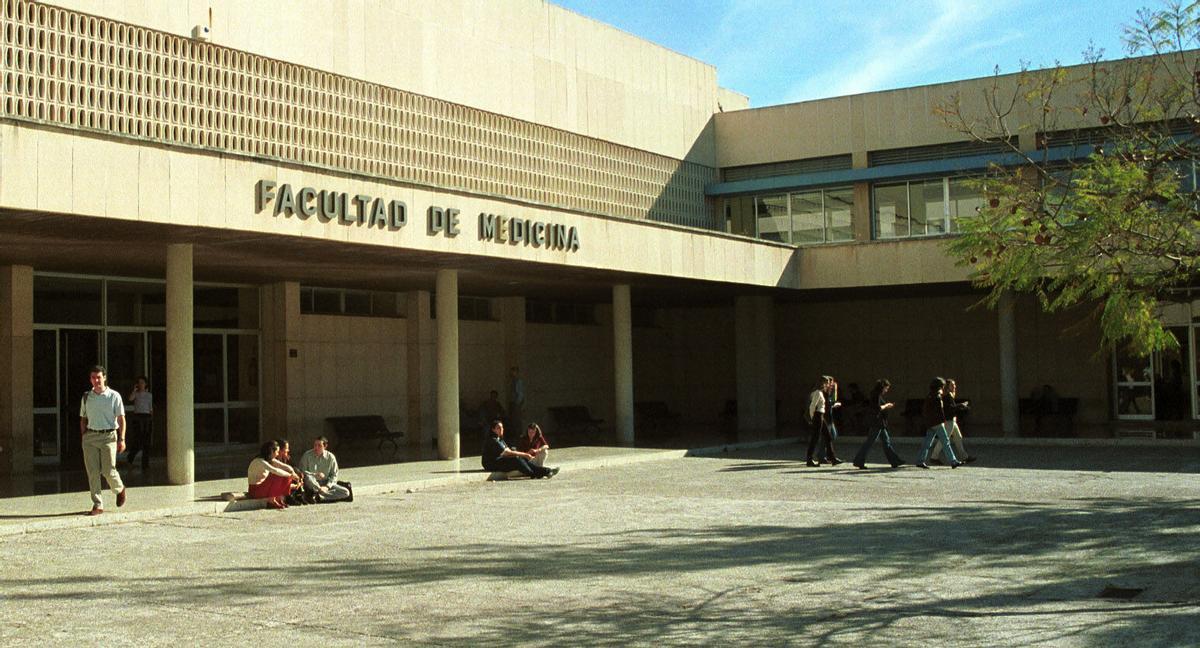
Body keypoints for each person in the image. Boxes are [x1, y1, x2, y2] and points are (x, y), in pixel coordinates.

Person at [79, 365, 127, 515]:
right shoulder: (87, 396)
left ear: (104, 377)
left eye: (99, 377)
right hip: (90, 437)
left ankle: (119, 488)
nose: (96, 380)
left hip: (108, 436)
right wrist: (84, 436)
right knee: (92, 472)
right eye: (93, 377)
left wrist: (122, 439)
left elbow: (121, 418)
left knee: (108, 470)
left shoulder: (114, 396)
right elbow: (83, 418)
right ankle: (97, 504)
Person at [852, 379, 907, 469]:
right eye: (886, 388)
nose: (886, 390)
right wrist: (887, 406)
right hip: (877, 422)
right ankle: (859, 460)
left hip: (879, 423)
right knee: (870, 442)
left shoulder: (875, 394)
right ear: (883, 387)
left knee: (886, 442)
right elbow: (877, 408)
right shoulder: (876, 395)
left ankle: (895, 461)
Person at [481, 419, 558, 479]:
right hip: (490, 464)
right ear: (493, 430)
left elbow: (508, 450)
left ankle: (546, 471)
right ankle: (535, 473)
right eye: (498, 428)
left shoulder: (500, 438)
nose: (501, 429)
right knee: (516, 460)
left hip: (499, 460)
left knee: (520, 458)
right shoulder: (493, 439)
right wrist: (525, 454)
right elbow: (507, 452)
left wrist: (522, 455)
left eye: (502, 427)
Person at [914, 378, 964, 469]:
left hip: (930, 423)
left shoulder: (929, 395)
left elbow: (926, 410)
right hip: (937, 423)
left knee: (927, 443)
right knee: (946, 442)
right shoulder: (938, 396)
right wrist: (943, 421)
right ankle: (953, 461)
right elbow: (940, 411)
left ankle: (920, 460)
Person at [930, 378, 975, 464]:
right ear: (948, 387)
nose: (954, 386)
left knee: (958, 438)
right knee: (944, 439)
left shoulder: (949, 395)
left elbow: (952, 407)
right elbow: (950, 408)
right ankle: (934, 456)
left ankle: (964, 456)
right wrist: (961, 405)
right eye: (952, 385)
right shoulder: (947, 396)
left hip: (952, 421)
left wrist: (961, 405)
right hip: (949, 421)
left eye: (954, 385)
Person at [298, 436, 352, 502]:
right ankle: (320, 493)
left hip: (325, 482)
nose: (316, 448)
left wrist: (327, 487)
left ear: (325, 446)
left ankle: (320, 497)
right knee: (309, 478)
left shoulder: (331, 457)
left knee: (346, 492)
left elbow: (334, 475)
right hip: (312, 483)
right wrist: (314, 474)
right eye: (315, 445)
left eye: (319, 445)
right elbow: (302, 471)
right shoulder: (307, 455)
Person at [247, 440, 296, 510]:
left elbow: (285, 466)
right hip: (255, 490)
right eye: (276, 452)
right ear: (271, 452)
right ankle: (271, 501)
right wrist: (290, 475)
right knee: (277, 475)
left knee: (285, 475)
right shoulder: (259, 461)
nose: (277, 454)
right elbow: (274, 470)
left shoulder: (270, 459)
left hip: (263, 488)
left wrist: (293, 473)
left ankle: (279, 498)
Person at [805, 375, 840, 467]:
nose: (828, 384)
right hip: (817, 415)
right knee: (815, 438)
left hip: (820, 415)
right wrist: (812, 418)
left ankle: (832, 458)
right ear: (823, 383)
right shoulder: (817, 392)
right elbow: (812, 406)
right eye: (827, 383)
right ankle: (809, 459)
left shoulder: (820, 392)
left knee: (827, 436)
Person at [124, 375, 153, 470]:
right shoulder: (136, 394)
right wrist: (134, 390)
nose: (141, 384)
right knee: (138, 441)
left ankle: (145, 465)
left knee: (146, 442)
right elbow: (130, 399)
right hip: (138, 418)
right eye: (139, 383)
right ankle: (130, 459)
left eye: (142, 383)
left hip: (147, 418)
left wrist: (151, 418)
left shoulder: (149, 395)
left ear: (146, 384)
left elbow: (150, 407)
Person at [816, 379, 842, 463]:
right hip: (825, 417)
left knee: (831, 436)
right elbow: (829, 404)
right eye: (830, 383)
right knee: (828, 437)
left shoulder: (827, 392)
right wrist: (836, 404)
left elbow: (832, 400)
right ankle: (823, 456)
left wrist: (835, 390)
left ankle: (824, 455)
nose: (831, 384)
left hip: (829, 417)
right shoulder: (823, 392)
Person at [507, 366, 525, 433]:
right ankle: (516, 434)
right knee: (513, 419)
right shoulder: (513, 381)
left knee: (517, 419)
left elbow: (520, 393)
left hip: (516, 403)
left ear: (516, 372)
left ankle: (519, 434)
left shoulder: (518, 381)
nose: (511, 373)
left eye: (513, 372)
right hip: (513, 402)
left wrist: (517, 403)